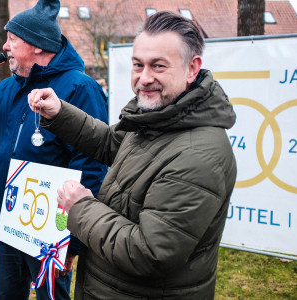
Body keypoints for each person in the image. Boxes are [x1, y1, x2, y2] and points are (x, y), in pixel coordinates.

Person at [27, 11, 237, 299]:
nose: (144, 78)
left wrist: (81, 207)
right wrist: (60, 113)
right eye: (138, 65)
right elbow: (110, 144)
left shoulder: (198, 155)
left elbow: (150, 253)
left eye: (158, 66)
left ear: (192, 68)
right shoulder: (160, 118)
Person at [0, 0, 108, 299]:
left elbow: (91, 165)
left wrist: (73, 242)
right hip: (13, 223)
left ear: (38, 46)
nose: (6, 47)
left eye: (13, 39)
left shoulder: (79, 88)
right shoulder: (5, 89)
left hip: (52, 234)